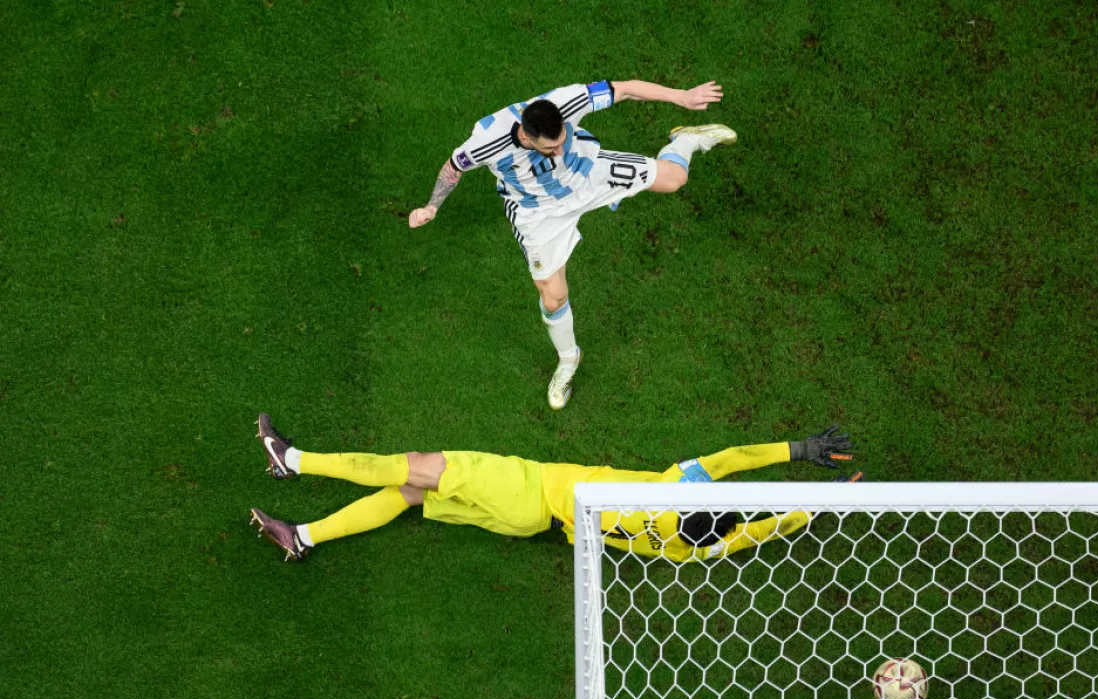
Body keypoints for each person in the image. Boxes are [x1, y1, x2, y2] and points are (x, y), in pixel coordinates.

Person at [407, 79, 736, 410]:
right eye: (551, 149)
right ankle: (568, 360)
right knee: (553, 296)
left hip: (587, 174)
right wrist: (432, 206)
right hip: (538, 212)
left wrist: (681, 96)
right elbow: (453, 168)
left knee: (675, 179)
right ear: (526, 137)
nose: (559, 151)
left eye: (562, 140)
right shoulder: (486, 142)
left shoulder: (565, 101)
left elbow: (624, 89)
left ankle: (686, 139)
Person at [250, 414, 859, 563]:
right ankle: (304, 537)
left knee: (413, 467)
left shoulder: (676, 486)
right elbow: (755, 533)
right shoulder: (690, 549)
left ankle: (293, 460)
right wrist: (821, 508)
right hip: (528, 522)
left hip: (526, 488)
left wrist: (801, 450)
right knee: (408, 497)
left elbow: (731, 460)